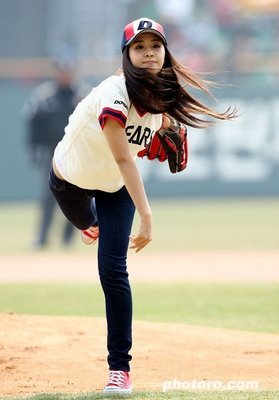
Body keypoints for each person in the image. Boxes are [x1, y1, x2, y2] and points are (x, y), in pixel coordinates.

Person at [49, 17, 237, 394]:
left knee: (113, 272)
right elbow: (123, 159)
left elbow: (133, 155)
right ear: (126, 55)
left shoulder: (164, 96)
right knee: (91, 226)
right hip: (69, 182)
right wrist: (147, 216)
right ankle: (90, 225)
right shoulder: (114, 92)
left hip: (114, 189)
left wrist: (161, 133)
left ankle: (119, 368)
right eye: (139, 46)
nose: (148, 52)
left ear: (166, 52)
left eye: (155, 45)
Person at [22, 53, 89, 248]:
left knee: (77, 194)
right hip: (53, 152)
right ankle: (42, 237)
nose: (65, 74)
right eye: (62, 70)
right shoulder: (44, 96)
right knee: (49, 194)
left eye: (68, 70)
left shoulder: (83, 95)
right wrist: (34, 148)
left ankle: (68, 238)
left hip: (77, 151)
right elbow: (33, 123)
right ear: (56, 71)